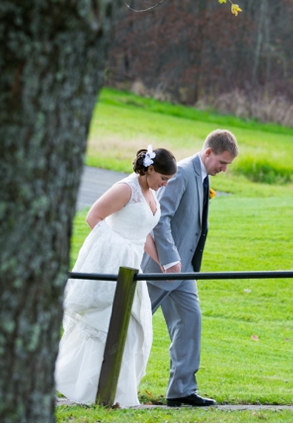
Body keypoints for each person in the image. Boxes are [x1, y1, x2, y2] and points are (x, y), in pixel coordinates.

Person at [55, 146, 177, 408]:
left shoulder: (151, 193)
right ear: (151, 169)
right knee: (104, 326)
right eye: (163, 179)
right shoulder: (126, 189)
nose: (164, 184)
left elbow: (143, 232)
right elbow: (94, 217)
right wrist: (116, 252)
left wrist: (162, 263)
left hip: (133, 268)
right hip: (114, 265)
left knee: (132, 329)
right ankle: (91, 392)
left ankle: (119, 394)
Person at [141, 129, 238, 407]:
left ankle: (181, 390)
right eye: (222, 162)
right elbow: (162, 219)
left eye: (227, 165)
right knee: (133, 323)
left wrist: (183, 266)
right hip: (160, 267)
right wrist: (170, 261)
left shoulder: (203, 176)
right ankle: (106, 377)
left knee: (190, 322)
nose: (224, 169)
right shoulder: (182, 172)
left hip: (184, 272)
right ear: (208, 152)